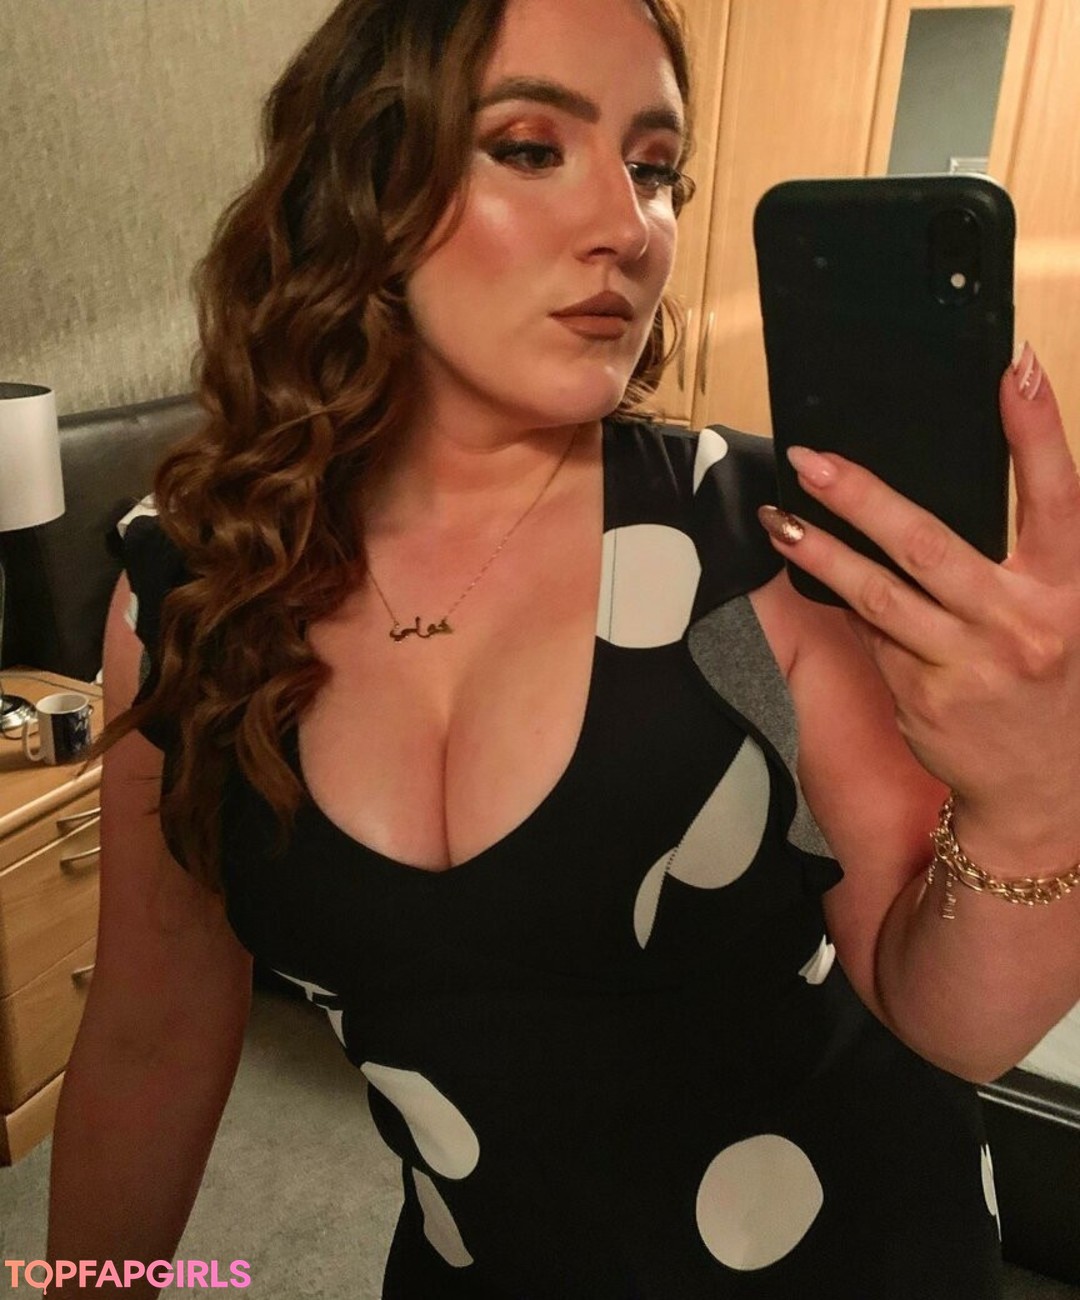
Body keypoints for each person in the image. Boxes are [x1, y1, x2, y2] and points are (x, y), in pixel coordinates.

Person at [47, 0, 1080, 1296]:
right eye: (532, 148)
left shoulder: (761, 541)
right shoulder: (193, 592)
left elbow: (951, 1019)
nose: (629, 228)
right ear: (363, 186)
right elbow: (148, 1038)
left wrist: (1039, 799)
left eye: (655, 169)